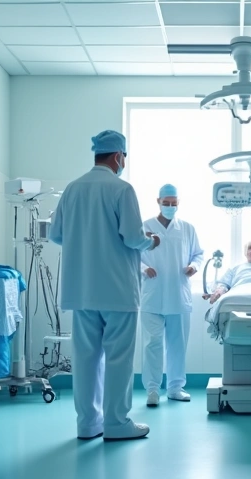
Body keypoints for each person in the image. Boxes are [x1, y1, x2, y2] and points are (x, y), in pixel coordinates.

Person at [48, 130, 159, 442]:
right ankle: (116, 423)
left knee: (85, 360)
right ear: (118, 156)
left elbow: (56, 236)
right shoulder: (121, 189)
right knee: (118, 359)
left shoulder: (72, 189)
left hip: (81, 290)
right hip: (117, 290)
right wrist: (152, 239)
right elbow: (134, 238)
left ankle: (87, 424)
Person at [140, 184, 204, 407]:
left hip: (178, 295)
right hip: (152, 295)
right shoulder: (145, 226)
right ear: (157, 201)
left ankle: (176, 388)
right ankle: (152, 390)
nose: (169, 207)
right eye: (165, 203)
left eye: (173, 204)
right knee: (152, 345)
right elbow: (130, 253)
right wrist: (142, 269)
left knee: (177, 345)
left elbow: (198, 254)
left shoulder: (187, 228)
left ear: (178, 204)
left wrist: (193, 267)